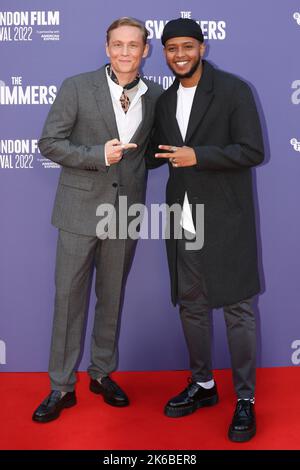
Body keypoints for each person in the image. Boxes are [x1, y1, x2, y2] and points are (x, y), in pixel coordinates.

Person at [32, 17, 162, 423]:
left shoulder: (157, 95)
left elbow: (151, 152)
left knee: (112, 297)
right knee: (68, 299)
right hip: (77, 210)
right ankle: (60, 386)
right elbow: (49, 143)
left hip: (124, 213)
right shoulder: (76, 86)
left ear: (145, 50)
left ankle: (102, 373)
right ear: (107, 48)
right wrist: (97, 156)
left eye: (133, 45)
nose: (125, 52)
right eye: (118, 44)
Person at [147, 18, 264, 442]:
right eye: (171, 48)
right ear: (165, 52)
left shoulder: (233, 90)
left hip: (227, 217)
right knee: (192, 305)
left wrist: (200, 156)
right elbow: (156, 155)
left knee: (237, 309)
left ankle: (245, 400)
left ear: (202, 47)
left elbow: (252, 150)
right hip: (183, 217)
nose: (179, 55)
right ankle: (204, 385)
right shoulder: (162, 102)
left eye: (187, 47)